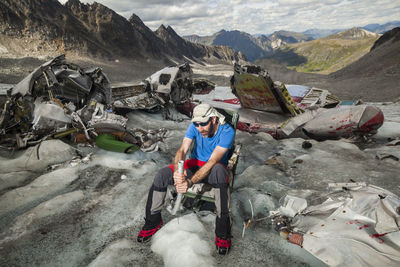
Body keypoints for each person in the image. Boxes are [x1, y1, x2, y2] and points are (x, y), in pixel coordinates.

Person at [137, 103, 235, 254]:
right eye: (196, 124)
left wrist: (189, 182)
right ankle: (153, 222)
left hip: (214, 168)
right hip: (195, 164)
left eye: (203, 124)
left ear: (214, 119)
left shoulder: (227, 131)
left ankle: (223, 234)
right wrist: (178, 173)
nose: (199, 128)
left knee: (219, 174)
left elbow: (212, 161)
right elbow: (182, 150)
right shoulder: (196, 126)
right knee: (162, 175)